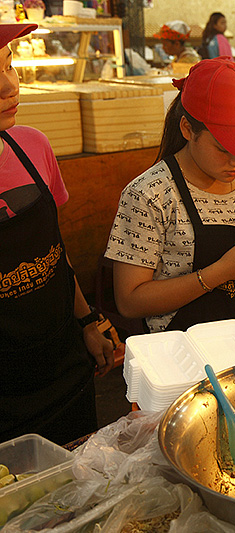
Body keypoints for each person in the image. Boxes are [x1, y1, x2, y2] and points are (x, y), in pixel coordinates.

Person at [105, 59, 235, 348]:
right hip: (186, 361)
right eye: (223, 148)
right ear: (188, 129)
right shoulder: (150, 195)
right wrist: (222, 272)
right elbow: (129, 301)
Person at [0, 23, 114, 445]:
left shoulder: (31, 146)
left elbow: (54, 250)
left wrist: (86, 321)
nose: (8, 86)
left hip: (62, 360)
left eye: (9, 65)